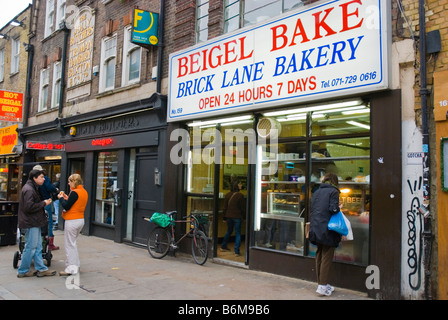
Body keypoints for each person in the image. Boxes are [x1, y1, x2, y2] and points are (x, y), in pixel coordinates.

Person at [17, 169, 57, 278]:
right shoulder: (29, 189)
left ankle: (41, 268)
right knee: (30, 247)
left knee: (38, 246)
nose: (44, 179)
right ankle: (23, 271)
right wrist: (43, 203)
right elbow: (28, 207)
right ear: (35, 178)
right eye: (41, 177)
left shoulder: (32, 187)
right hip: (31, 222)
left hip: (34, 221)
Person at [308, 173, 342, 296]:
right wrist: (339, 207)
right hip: (327, 229)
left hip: (315, 228)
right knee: (327, 257)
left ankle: (322, 284)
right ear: (334, 182)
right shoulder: (334, 192)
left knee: (319, 255)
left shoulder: (317, 192)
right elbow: (333, 209)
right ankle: (322, 287)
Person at [58, 174, 88, 276]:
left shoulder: (75, 192)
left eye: (69, 181)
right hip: (80, 219)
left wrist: (61, 198)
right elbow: (74, 203)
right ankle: (76, 265)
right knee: (73, 243)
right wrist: (67, 198)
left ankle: (71, 269)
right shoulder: (83, 192)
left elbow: (67, 206)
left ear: (74, 182)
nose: (68, 183)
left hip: (72, 220)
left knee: (69, 245)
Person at [33, 165, 59, 250]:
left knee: (37, 221)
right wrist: (55, 190)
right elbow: (49, 188)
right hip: (46, 201)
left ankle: (39, 241)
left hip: (36, 203)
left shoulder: (31, 182)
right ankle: (49, 242)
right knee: (49, 221)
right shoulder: (45, 179)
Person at [220, 180, 245, 256]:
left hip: (229, 216)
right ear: (236, 186)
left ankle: (223, 246)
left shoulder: (227, 195)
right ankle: (236, 251)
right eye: (239, 184)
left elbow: (225, 207)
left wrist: (224, 217)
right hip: (237, 217)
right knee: (238, 233)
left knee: (229, 231)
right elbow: (242, 208)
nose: (241, 185)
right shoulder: (240, 195)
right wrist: (244, 217)